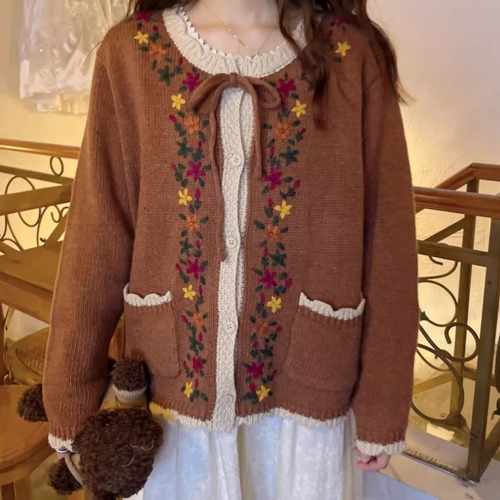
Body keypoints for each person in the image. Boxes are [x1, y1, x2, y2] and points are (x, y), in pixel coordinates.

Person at [42, 0, 420, 498]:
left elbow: (388, 242)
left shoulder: (348, 53)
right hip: (172, 399)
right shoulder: (132, 53)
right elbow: (97, 237)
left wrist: (382, 404)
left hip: (307, 398)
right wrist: (70, 395)